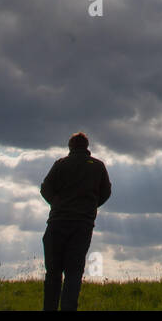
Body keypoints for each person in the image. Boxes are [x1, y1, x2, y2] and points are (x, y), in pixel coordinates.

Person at [39, 131, 111, 311]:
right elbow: (106, 192)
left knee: (53, 273)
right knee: (74, 272)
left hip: (57, 222)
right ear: (86, 147)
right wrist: (90, 206)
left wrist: (56, 203)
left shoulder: (61, 164)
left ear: (70, 146)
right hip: (82, 225)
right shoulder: (98, 166)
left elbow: (45, 188)